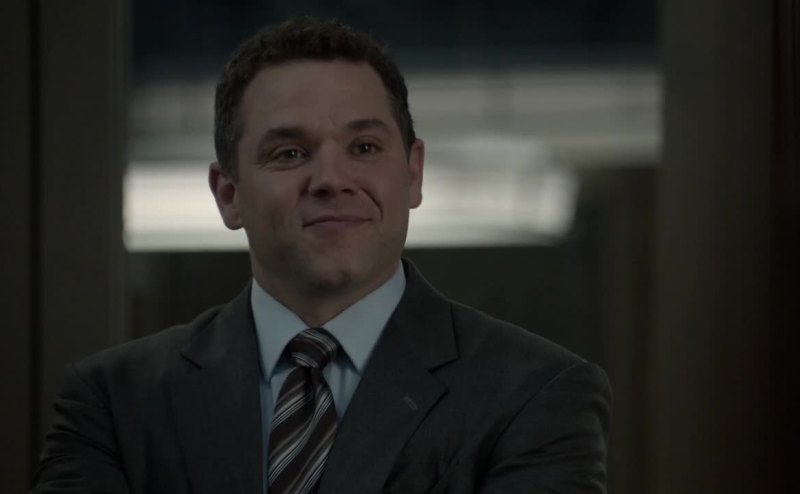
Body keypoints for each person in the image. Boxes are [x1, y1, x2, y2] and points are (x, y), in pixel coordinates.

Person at [32, 17, 611, 494]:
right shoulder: (114, 401)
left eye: (364, 146)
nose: (332, 178)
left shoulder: (536, 393)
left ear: (412, 174)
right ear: (228, 194)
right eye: (289, 153)